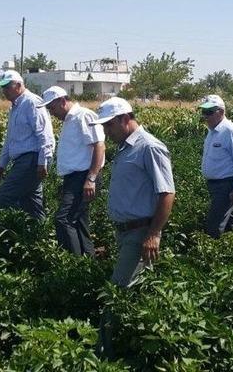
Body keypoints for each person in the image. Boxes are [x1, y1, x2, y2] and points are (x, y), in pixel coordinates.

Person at [94, 97, 175, 359]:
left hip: (140, 233)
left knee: (114, 295)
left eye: (109, 125)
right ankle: (138, 348)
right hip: (125, 232)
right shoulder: (124, 147)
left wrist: (153, 234)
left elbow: (166, 193)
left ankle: (103, 355)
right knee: (134, 293)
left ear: (124, 119)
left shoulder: (149, 147)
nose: (106, 131)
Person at [38, 86, 106, 256]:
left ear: (62, 101)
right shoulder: (70, 120)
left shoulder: (83, 115)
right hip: (74, 178)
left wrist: (91, 178)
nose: (51, 113)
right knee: (79, 221)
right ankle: (87, 264)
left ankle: (73, 263)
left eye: (52, 108)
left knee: (63, 219)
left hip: (84, 176)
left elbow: (99, 145)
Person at [0, 70, 55, 222]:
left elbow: (44, 134)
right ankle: (38, 235)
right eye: (3, 88)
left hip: (31, 160)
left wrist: (43, 162)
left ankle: (17, 227)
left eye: (7, 87)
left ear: (19, 85)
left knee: (4, 196)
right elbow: (10, 139)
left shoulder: (32, 102)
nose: (4, 91)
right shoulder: (15, 107)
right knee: (32, 203)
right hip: (22, 161)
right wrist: (1, 164)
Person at [198, 94, 233, 238]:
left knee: (214, 224)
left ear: (221, 112)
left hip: (226, 186)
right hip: (215, 186)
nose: (205, 116)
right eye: (204, 112)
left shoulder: (231, 131)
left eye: (209, 112)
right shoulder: (212, 132)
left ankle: (210, 253)